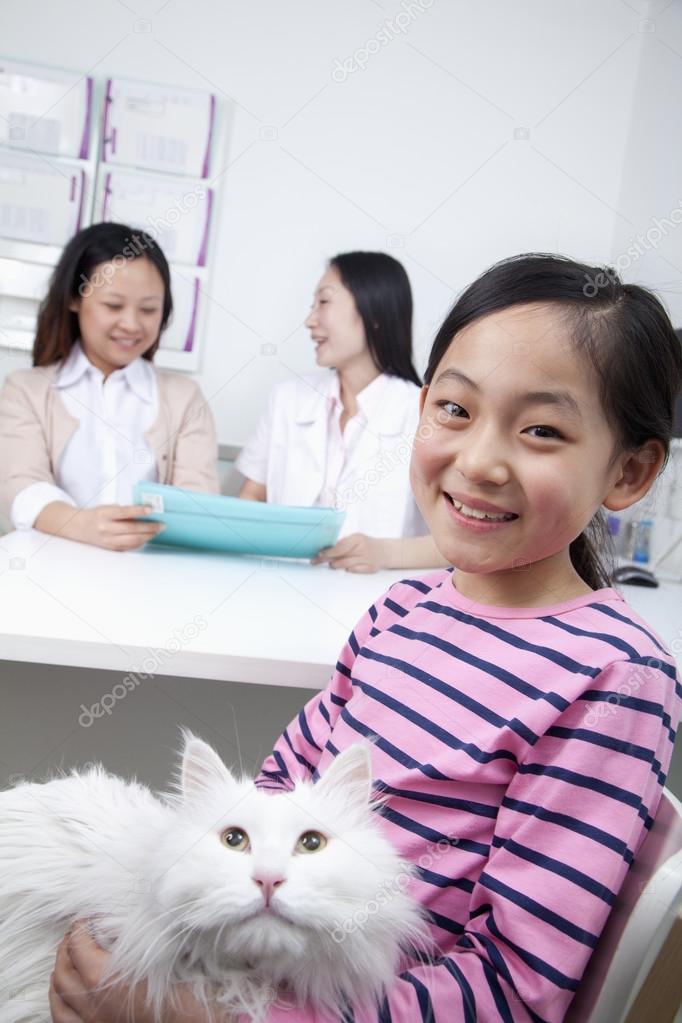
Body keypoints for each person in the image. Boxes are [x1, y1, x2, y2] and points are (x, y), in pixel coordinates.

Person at [49, 253, 682, 1022]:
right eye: (454, 408)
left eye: (541, 429)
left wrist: (213, 1019)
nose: (478, 460)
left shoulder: (614, 676)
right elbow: (277, 794)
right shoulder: (401, 609)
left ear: (631, 470)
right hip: (252, 970)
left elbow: (516, 990)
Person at [0, 222, 219, 551]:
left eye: (148, 309)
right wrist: (82, 524)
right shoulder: (26, 390)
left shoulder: (184, 398)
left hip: (153, 580)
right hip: (48, 574)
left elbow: (198, 502)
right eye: (113, 306)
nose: (131, 324)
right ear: (74, 299)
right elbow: (21, 485)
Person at [236, 251, 447, 572]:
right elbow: (250, 498)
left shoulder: (423, 415)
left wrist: (385, 554)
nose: (310, 321)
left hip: (378, 602)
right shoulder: (288, 399)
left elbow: (459, 544)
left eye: (324, 302)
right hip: (278, 589)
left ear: (373, 310)